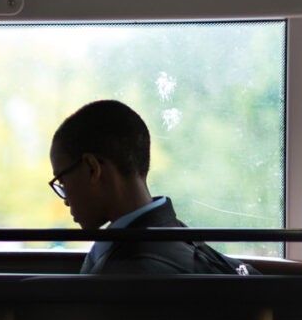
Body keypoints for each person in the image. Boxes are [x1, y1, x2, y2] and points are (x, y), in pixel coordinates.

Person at [48, 99, 254, 276]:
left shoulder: (125, 272)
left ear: (93, 169)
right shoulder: (179, 237)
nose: (65, 200)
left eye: (63, 182)